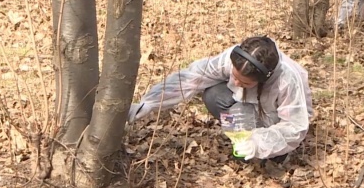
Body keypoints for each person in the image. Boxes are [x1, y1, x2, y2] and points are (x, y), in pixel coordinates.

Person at [127, 36, 314, 162]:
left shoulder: (287, 81)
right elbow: (191, 78)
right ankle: (239, 138)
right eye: (234, 76)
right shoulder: (234, 59)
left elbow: (295, 127)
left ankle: (266, 153)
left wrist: (258, 143)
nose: (235, 82)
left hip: (273, 123)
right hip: (245, 109)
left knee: (273, 154)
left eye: (244, 82)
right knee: (213, 95)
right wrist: (150, 102)